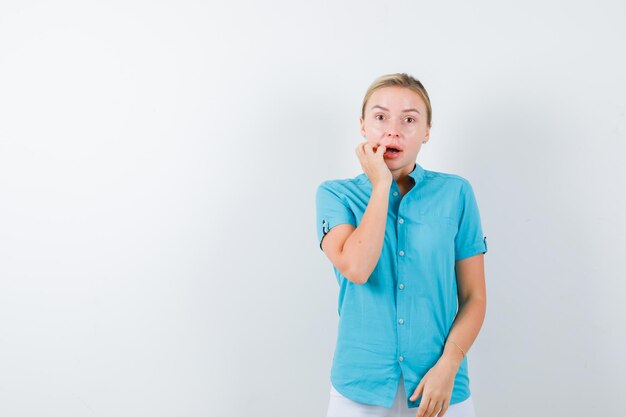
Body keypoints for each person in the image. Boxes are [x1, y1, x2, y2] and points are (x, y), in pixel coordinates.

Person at [315, 73, 488, 417]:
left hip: (438, 388)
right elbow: (358, 268)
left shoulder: (456, 194)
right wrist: (380, 186)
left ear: (426, 131)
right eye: (380, 117)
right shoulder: (335, 195)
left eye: (409, 119)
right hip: (358, 390)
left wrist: (448, 367)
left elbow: (474, 297)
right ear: (363, 126)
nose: (393, 130)